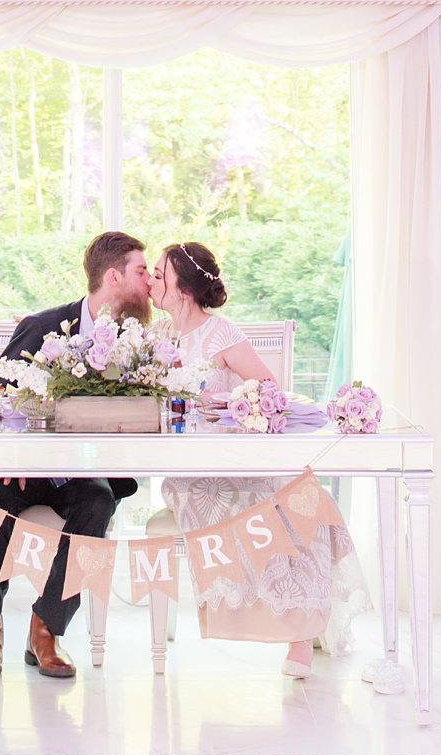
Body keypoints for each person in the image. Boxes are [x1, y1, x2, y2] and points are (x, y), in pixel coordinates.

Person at [151, 239, 368, 678]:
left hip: (235, 458)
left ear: (184, 288)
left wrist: (222, 400)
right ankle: (267, 618)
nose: (152, 281)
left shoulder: (221, 332)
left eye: (160, 274)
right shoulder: (157, 336)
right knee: (219, 498)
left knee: (286, 503)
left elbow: (270, 391)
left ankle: (300, 632)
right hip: (189, 471)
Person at [0, 228, 151, 682]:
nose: (149, 281)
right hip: (22, 470)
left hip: (81, 473)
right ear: (113, 277)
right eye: (142, 271)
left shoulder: (138, 341)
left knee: (99, 502)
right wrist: (7, 461)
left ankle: (46, 628)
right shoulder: (43, 325)